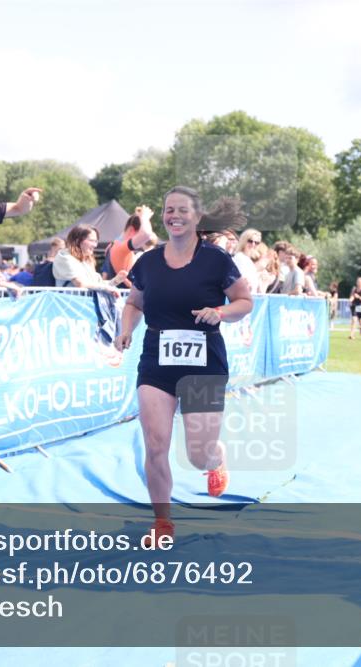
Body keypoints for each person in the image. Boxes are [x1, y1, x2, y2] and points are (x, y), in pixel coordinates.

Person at [114, 186, 253, 546]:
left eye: (181, 210)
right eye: (167, 210)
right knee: (156, 445)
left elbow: (244, 301)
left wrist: (220, 311)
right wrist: (126, 329)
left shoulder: (216, 260)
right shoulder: (148, 261)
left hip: (203, 362)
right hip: (156, 361)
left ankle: (215, 458)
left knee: (197, 453)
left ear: (197, 217)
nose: (173, 215)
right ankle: (163, 523)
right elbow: (134, 303)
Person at [52, 225, 126, 294]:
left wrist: (115, 281)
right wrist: (106, 288)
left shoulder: (86, 261)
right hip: (69, 305)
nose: (95, 245)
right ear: (78, 241)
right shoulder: (64, 257)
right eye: (91, 240)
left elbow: (97, 284)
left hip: (85, 305)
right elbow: (80, 283)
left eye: (96, 241)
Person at [108, 206, 159, 282]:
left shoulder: (117, 245)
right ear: (132, 230)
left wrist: (140, 217)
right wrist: (144, 217)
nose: (143, 241)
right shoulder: (121, 247)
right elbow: (146, 234)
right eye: (139, 234)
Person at [232, 228, 263, 293]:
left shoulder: (248, 260)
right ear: (244, 241)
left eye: (257, 242)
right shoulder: (239, 257)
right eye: (250, 241)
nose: (253, 244)